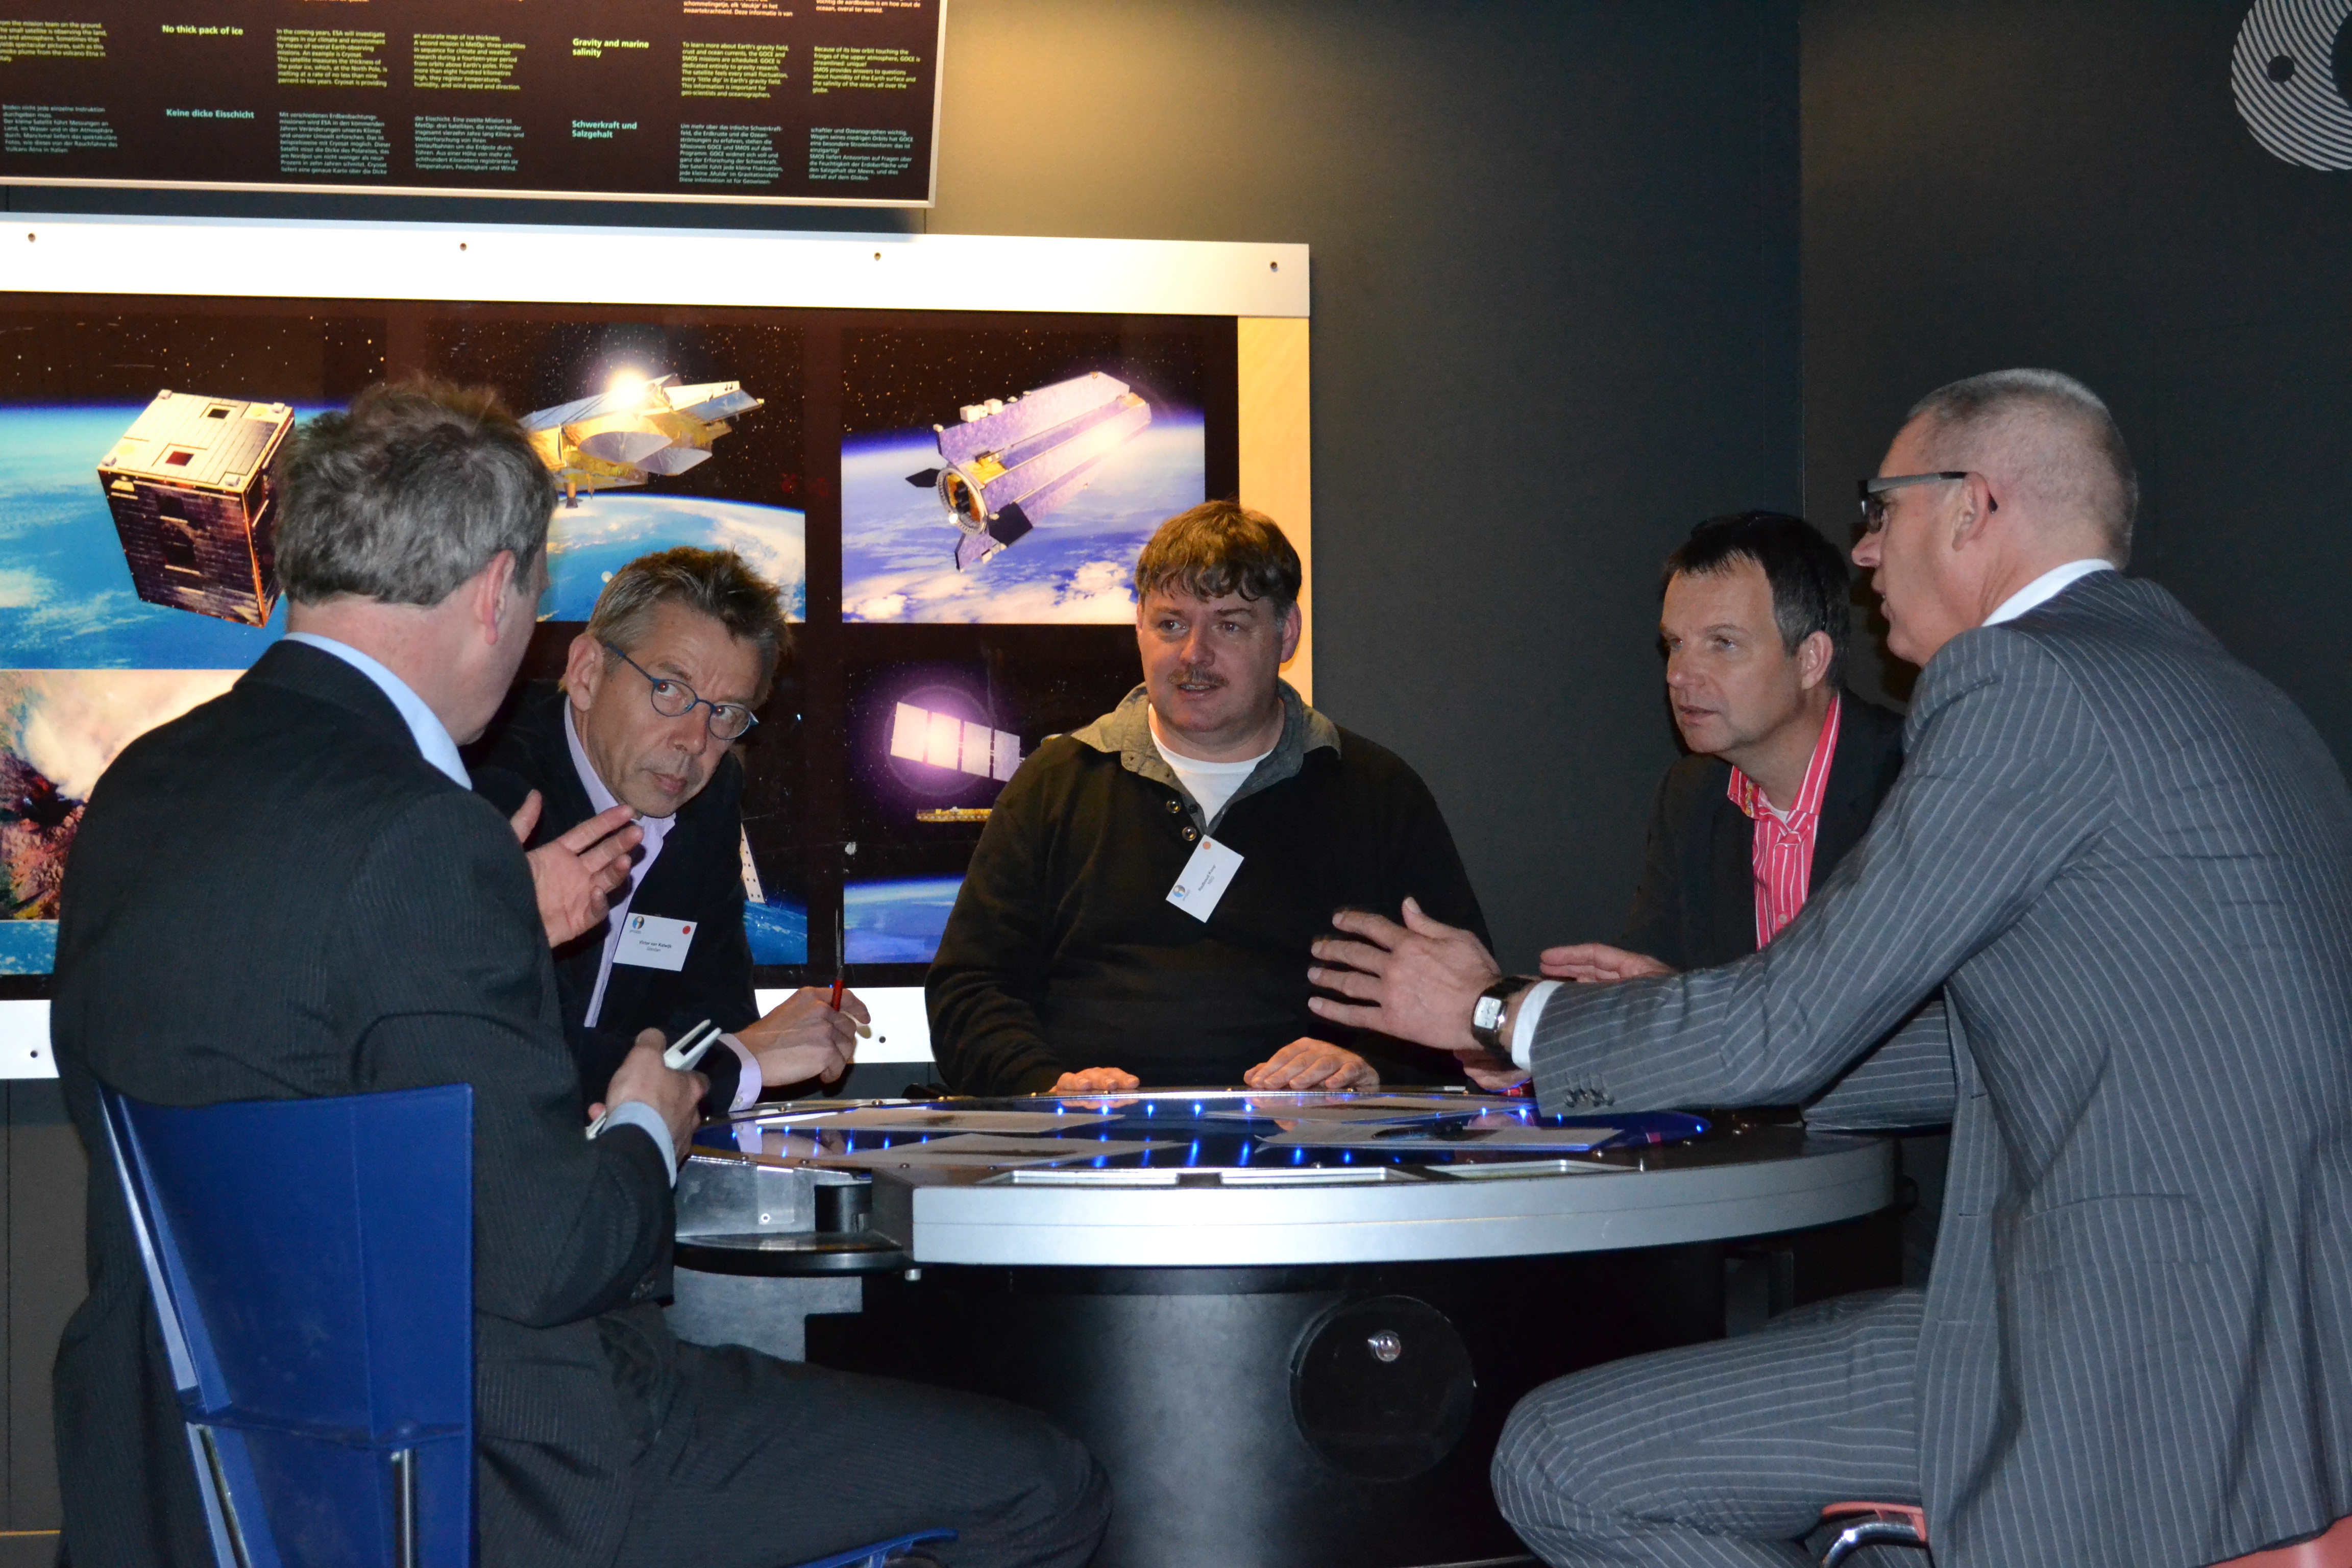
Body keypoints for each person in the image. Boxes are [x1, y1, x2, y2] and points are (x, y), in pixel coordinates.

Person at [49, 382, 1109, 1568]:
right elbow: (554, 1254)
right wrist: (650, 1119)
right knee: (1043, 1482)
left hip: (194, 1460)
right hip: (485, 1452)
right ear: (498, 588)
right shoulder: (427, 833)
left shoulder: (145, 784)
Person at [1303, 370, 2352, 1566]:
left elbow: (1788, 1020)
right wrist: (1627, 1038)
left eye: (1882, 507)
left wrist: (1499, 1011)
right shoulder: (2235, 696)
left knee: (1559, 1461)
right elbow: (1991, 1042)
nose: (1862, 552)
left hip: (2116, 1357)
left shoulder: (2020, 682)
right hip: (2270, 1347)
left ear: (1973, 506)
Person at [927, 499, 1488, 1095]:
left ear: (1286, 633)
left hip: (1316, 1144)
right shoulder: (1054, 784)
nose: (1194, 654)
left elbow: (1463, 1004)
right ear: (1139, 627)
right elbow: (970, 991)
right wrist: (1047, 1088)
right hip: (1088, 1142)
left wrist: (1370, 1069)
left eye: (1230, 625)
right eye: (1171, 624)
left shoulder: (1378, 793)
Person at [473, 547, 868, 1121]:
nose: (694, 740)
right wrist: (741, 1063)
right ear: (587, 674)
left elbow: (714, 1007)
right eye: (670, 690)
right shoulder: (490, 785)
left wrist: (738, 1053)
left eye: (726, 713)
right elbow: (512, 1053)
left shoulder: (711, 795)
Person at [1555, 511, 1904, 983]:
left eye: (1723, 643)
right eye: (1675, 644)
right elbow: (1649, 970)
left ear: (1811, 660)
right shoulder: (1692, 795)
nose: (1679, 675)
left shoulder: (1915, 780)